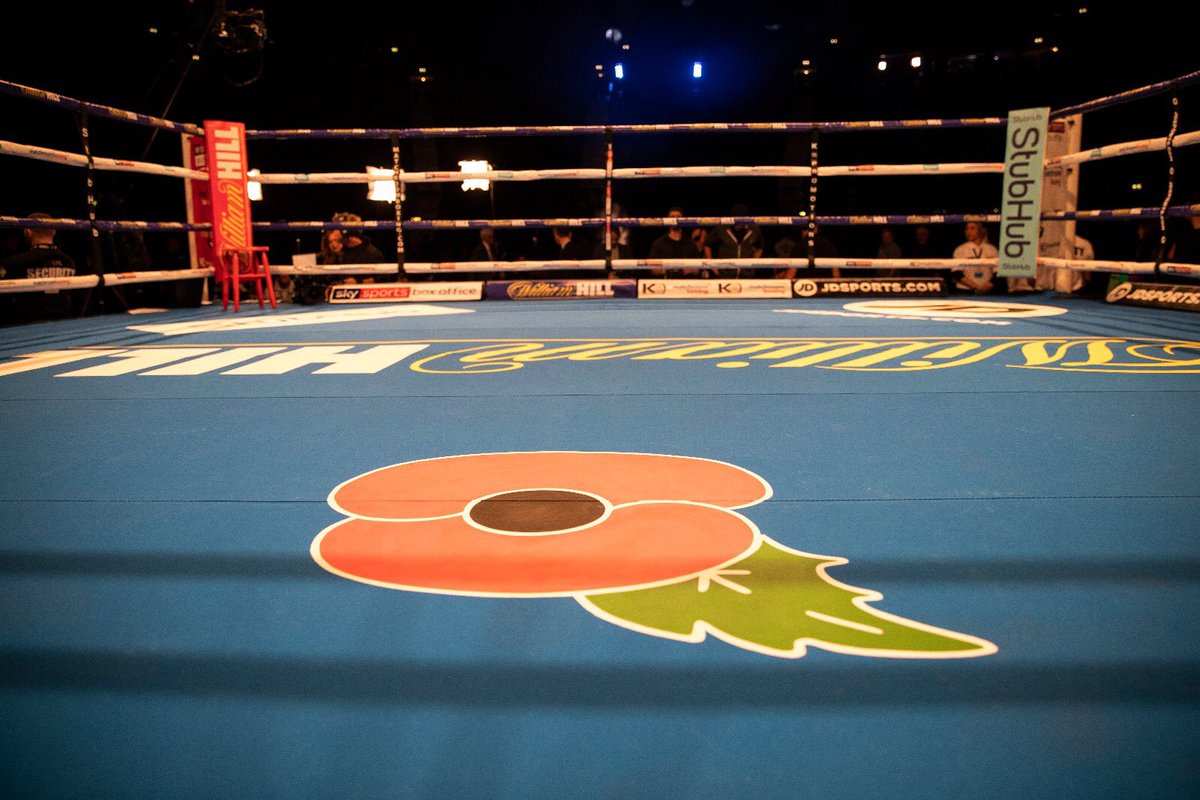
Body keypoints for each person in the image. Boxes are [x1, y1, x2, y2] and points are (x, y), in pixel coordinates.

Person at [0, 213, 77, 322]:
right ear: (54, 231)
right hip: (66, 324)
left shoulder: (15, 262)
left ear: (28, 232)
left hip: (26, 325)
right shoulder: (69, 262)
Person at [704, 203, 763, 277]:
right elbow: (707, 244)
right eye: (736, 220)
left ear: (746, 219)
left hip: (747, 276)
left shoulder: (754, 229)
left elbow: (759, 247)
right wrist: (712, 265)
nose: (738, 224)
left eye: (740, 221)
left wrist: (752, 264)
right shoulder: (722, 228)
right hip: (725, 275)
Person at [648, 207, 701, 276]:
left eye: (678, 217)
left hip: (685, 281)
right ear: (667, 220)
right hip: (666, 281)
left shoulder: (690, 244)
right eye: (672, 217)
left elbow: (698, 269)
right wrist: (668, 271)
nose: (675, 219)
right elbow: (652, 269)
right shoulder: (659, 243)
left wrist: (686, 270)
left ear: (683, 220)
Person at [951, 221, 1000, 293]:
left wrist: (988, 286)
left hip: (987, 291)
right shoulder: (960, 249)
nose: (968, 232)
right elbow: (956, 273)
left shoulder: (992, 249)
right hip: (965, 291)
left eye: (972, 228)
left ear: (980, 230)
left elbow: (998, 272)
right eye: (967, 229)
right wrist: (975, 287)